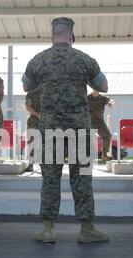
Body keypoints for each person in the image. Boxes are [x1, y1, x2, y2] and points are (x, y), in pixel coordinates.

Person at [22, 17, 109, 243]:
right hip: (79, 128)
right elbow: (103, 86)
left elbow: (26, 85)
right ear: (71, 36)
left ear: (53, 36)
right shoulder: (84, 59)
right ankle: (87, 228)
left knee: (50, 178)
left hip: (50, 128)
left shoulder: (39, 60)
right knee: (82, 178)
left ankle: (48, 229)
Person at [87, 90, 115, 161]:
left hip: (99, 122)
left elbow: (111, 101)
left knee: (107, 135)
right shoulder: (87, 98)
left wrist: (110, 103)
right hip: (88, 121)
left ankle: (104, 154)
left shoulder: (103, 98)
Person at [24, 88, 42, 172]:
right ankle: (30, 164)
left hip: (48, 120)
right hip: (34, 120)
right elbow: (28, 106)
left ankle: (45, 165)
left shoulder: (51, 91)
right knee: (32, 143)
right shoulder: (31, 93)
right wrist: (37, 114)